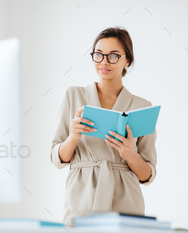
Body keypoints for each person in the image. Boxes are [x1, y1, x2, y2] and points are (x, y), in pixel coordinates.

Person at [50, 26, 157, 227]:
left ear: (127, 60)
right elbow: (57, 158)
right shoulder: (74, 96)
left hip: (127, 203)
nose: (104, 62)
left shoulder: (142, 107)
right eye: (98, 55)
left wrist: (130, 154)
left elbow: (148, 174)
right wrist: (73, 136)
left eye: (113, 56)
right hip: (81, 198)